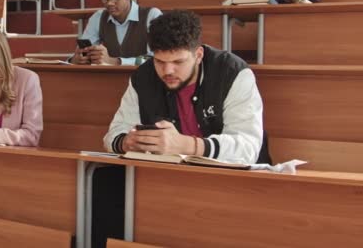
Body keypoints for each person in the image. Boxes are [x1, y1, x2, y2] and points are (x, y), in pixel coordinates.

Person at [104, 9, 268, 163]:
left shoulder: (232, 73)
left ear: (198, 55)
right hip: (169, 177)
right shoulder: (143, 77)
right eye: (160, 61)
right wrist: (126, 142)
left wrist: (187, 145)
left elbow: (248, 148)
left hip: (239, 180)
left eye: (178, 62)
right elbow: (113, 135)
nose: (167, 71)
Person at [69, 0, 162, 66]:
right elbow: (80, 54)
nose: (109, 3)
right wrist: (76, 60)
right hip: (110, 81)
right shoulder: (98, 17)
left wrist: (116, 61)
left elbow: (159, 60)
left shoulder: (152, 16)